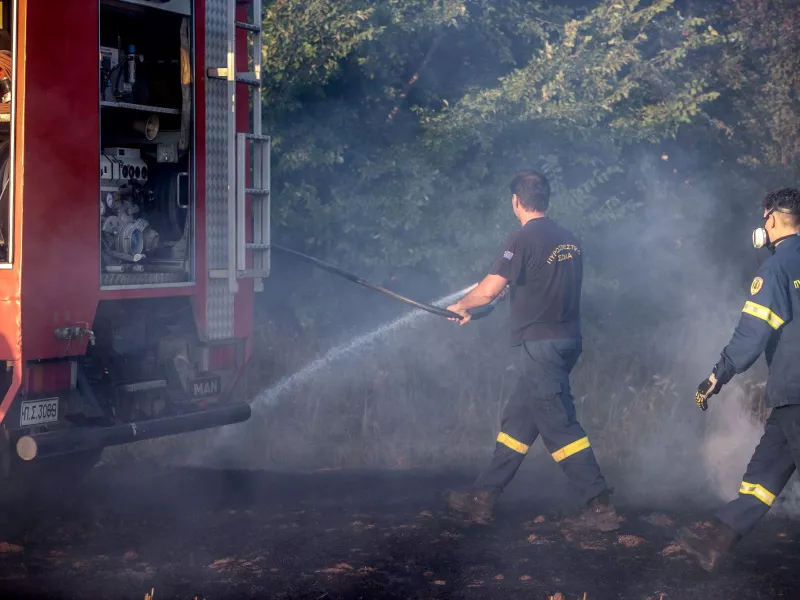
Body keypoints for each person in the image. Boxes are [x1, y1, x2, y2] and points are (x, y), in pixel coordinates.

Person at [442, 170, 620, 532]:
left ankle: (600, 507)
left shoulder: (522, 239)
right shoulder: (569, 240)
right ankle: (484, 497)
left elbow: (490, 289)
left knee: (559, 426)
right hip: (565, 342)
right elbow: (541, 285)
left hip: (539, 346)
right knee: (519, 423)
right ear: (546, 198)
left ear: (515, 201)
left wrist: (462, 305)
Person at [677, 188, 800, 572]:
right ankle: (717, 543)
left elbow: (753, 333)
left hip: (796, 390)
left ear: (772, 219)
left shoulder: (777, 269)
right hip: (788, 400)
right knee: (763, 475)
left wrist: (717, 376)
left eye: (763, 217)